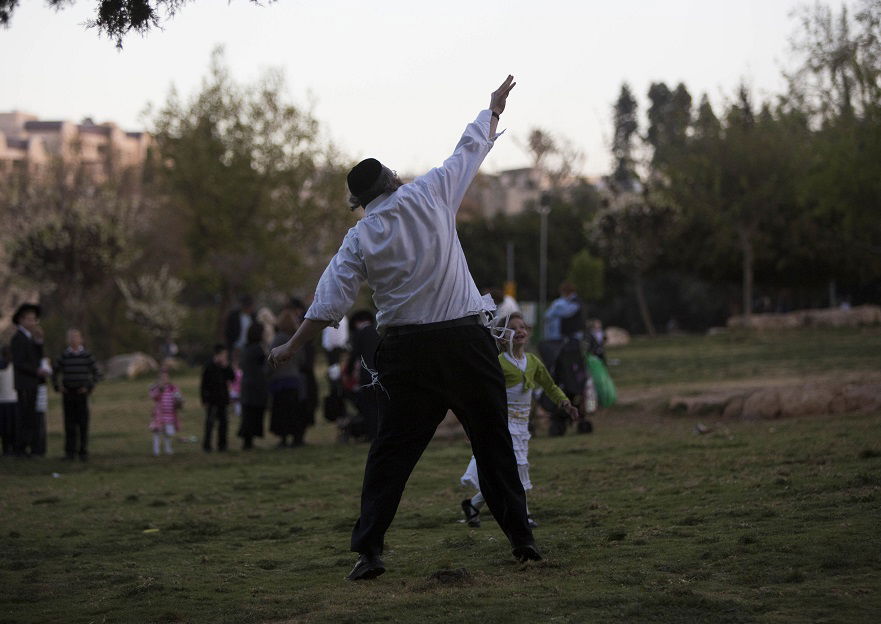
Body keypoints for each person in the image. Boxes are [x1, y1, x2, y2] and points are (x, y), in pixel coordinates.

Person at [270, 75, 540, 581]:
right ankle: (522, 540)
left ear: (361, 201)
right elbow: (469, 149)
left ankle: (369, 551)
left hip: (408, 353)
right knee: (493, 442)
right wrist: (493, 110)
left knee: (392, 454)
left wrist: (290, 344)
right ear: (393, 178)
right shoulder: (432, 192)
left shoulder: (361, 237)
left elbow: (329, 302)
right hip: (464, 342)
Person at [460, 312, 576, 529]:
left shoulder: (533, 362)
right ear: (503, 336)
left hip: (522, 427)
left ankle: (473, 505)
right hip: (502, 425)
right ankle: (524, 515)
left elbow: (550, 386)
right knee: (517, 468)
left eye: (523, 327)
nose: (520, 331)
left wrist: (565, 403)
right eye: (514, 328)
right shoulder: (499, 364)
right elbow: (484, 394)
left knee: (504, 474)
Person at [539, 283, 588, 436]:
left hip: (565, 343)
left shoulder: (568, 304)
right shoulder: (570, 304)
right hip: (566, 345)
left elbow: (552, 315)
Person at [52, 329, 100, 460]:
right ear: (68, 340)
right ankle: (70, 452)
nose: (74, 340)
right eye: (71, 338)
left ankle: (83, 451)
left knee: (83, 424)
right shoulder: (64, 356)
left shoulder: (86, 356)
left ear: (81, 340)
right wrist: (57, 386)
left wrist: (89, 386)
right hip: (68, 393)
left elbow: (97, 373)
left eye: (76, 337)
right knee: (69, 424)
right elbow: (54, 372)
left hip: (81, 393)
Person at [10, 303, 46, 457]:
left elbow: (37, 357)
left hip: (33, 382)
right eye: (29, 319)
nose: (33, 322)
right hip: (24, 383)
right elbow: (19, 362)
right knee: (24, 415)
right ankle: (21, 447)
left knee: (32, 415)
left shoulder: (31, 338)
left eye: (34, 319)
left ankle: (33, 446)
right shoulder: (18, 339)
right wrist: (35, 371)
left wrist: (39, 343)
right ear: (21, 320)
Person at [268, 310, 306, 447]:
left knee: (281, 411)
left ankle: (283, 438)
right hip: (294, 379)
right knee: (294, 411)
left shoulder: (278, 338)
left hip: (280, 380)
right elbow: (302, 359)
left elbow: (271, 358)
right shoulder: (296, 339)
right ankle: (296, 437)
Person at [343, 309, 381, 442]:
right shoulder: (379, 331)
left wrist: (347, 372)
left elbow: (354, 355)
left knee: (369, 406)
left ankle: (372, 434)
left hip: (366, 375)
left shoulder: (359, 334)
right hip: (381, 373)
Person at [200, 344, 235, 452]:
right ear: (218, 355)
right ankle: (207, 445)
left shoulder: (225, 367)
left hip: (223, 398)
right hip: (211, 399)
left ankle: (222, 445)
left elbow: (232, 377)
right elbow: (203, 384)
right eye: (223, 355)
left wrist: (227, 367)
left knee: (223, 423)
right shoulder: (209, 366)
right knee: (210, 423)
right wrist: (204, 399)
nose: (225, 357)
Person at [238, 323, 267, 450]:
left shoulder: (247, 348)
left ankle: (247, 440)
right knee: (253, 413)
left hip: (247, 385)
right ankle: (249, 441)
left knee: (248, 413)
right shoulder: (257, 349)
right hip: (256, 386)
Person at [149, 368, 182, 456]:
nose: (164, 379)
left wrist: (179, 401)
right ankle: (156, 450)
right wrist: (160, 389)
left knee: (168, 433)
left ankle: (168, 449)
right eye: (162, 378)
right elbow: (154, 397)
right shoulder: (155, 388)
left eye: (166, 377)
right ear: (158, 379)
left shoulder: (173, 388)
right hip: (159, 414)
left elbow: (178, 398)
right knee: (157, 431)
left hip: (170, 414)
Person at [0, 344, 17, 456]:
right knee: (11, 428)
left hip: (6, 400)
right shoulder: (13, 366)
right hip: (11, 400)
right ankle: (10, 449)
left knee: (5, 428)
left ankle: (7, 449)